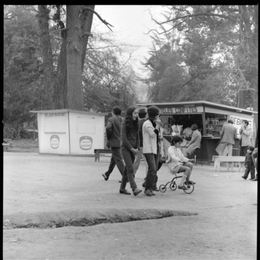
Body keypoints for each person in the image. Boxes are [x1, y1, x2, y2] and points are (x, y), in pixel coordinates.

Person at [119, 106, 142, 196]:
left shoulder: (137, 123)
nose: (137, 115)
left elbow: (137, 136)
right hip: (125, 149)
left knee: (126, 170)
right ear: (130, 114)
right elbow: (124, 139)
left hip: (134, 149)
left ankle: (122, 188)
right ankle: (134, 188)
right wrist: (132, 149)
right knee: (130, 169)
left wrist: (138, 147)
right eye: (135, 113)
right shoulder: (124, 123)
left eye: (137, 113)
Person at [102, 106, 125, 181]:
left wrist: (108, 139)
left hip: (114, 142)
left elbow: (108, 128)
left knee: (118, 160)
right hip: (122, 142)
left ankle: (126, 177)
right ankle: (107, 174)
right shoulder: (123, 120)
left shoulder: (111, 119)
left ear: (113, 112)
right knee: (114, 160)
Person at [142, 106, 161, 196]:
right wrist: (157, 125)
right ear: (155, 115)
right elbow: (153, 134)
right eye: (158, 115)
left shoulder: (152, 123)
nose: (158, 117)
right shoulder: (147, 123)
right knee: (153, 169)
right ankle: (148, 189)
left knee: (152, 169)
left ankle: (149, 187)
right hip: (148, 149)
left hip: (153, 149)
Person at [133, 107, 147, 176]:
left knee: (137, 160)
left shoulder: (137, 122)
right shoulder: (146, 123)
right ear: (146, 115)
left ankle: (132, 174)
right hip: (144, 144)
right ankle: (148, 176)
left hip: (138, 144)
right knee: (147, 161)